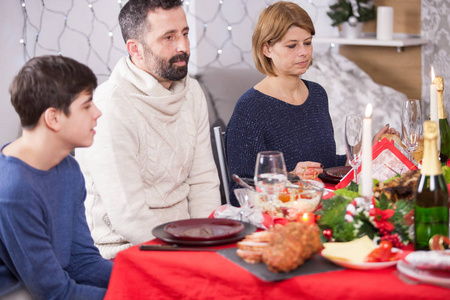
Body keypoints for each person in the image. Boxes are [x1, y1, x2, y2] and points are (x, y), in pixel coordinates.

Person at [75, 0, 221, 259]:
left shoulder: (193, 92)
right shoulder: (109, 106)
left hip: (188, 244)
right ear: (135, 49)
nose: (183, 47)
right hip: (125, 251)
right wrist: (185, 256)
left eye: (185, 33)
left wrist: (204, 244)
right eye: (169, 37)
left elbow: (203, 181)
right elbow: (129, 216)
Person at [225, 1, 397, 206]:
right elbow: (239, 192)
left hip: (325, 207)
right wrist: (288, 178)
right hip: (283, 223)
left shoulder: (317, 94)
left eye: (307, 43)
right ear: (267, 48)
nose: (303, 52)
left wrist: (366, 151)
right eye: (292, 45)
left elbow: (327, 166)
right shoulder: (249, 108)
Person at [0, 55, 112, 299]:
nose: (98, 112)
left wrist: (145, 278)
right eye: (86, 105)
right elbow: (54, 294)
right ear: (53, 118)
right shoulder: (13, 190)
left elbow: (81, 262)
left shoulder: (68, 169)